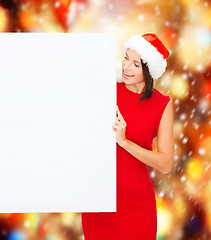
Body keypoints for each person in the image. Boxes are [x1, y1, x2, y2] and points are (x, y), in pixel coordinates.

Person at [81, 33, 174, 240]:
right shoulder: (105, 89)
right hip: (99, 201)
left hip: (137, 206)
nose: (126, 67)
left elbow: (166, 163)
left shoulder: (162, 105)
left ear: (149, 71)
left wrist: (124, 142)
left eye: (136, 64)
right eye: (125, 58)